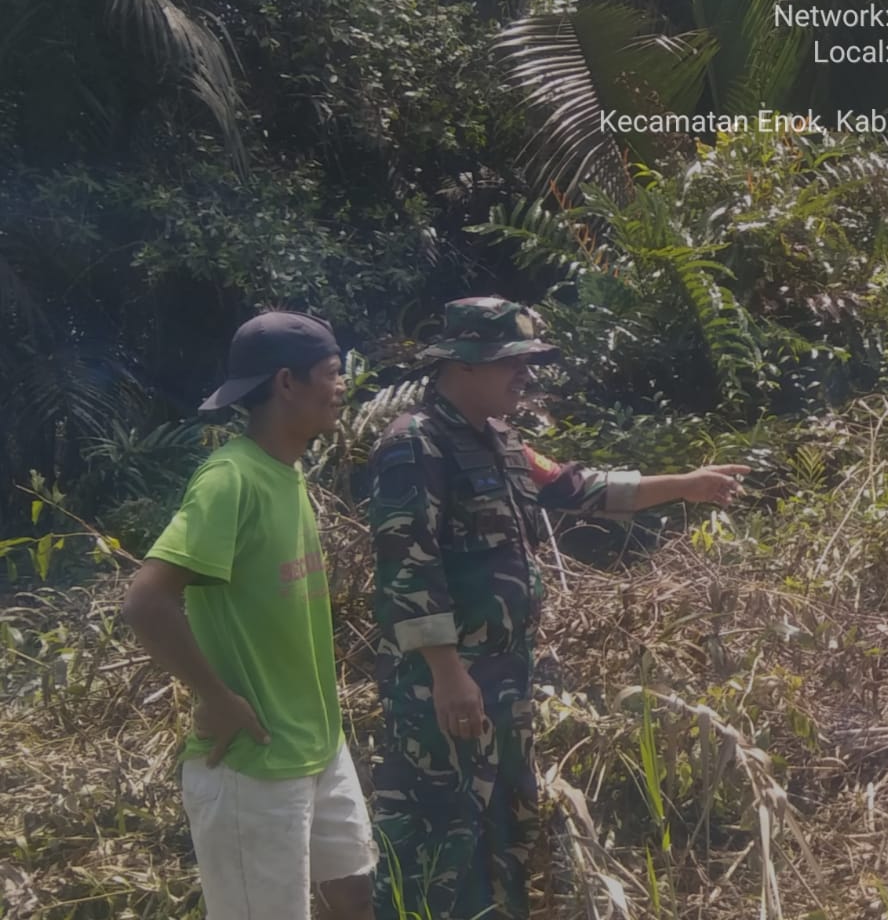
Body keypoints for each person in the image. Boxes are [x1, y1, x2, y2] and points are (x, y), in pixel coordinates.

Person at [368, 296, 749, 919]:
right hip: (443, 692)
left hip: (503, 684)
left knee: (504, 840)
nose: (525, 375)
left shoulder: (501, 441)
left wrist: (685, 484)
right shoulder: (415, 444)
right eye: (511, 362)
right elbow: (407, 565)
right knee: (437, 843)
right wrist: (446, 672)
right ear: (462, 365)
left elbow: (579, 487)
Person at [122, 312, 377, 920]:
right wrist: (213, 696)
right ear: (286, 382)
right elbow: (145, 600)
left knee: (354, 894)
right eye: (332, 373)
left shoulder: (285, 475)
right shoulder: (229, 478)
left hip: (317, 745)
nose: (342, 386)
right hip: (254, 762)